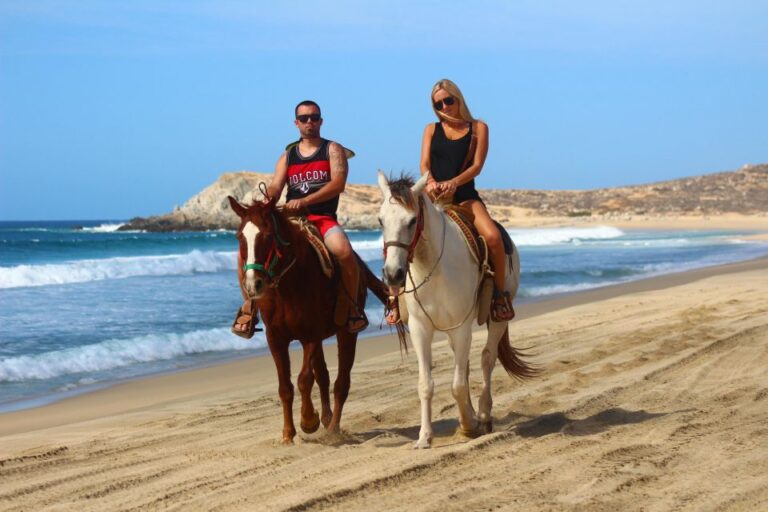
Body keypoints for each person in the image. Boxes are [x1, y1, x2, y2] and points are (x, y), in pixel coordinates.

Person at [232, 100, 368, 336]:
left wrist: (305, 201)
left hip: (323, 217)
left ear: (321, 121)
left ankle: (352, 308)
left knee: (344, 252)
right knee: (248, 252)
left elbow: (338, 184)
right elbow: (276, 185)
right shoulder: (288, 155)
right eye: (304, 118)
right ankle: (249, 308)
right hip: (291, 218)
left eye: (314, 117)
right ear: (296, 123)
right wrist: (267, 201)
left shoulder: (332, 149)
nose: (309, 122)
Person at [386, 79, 514, 324]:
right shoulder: (431, 130)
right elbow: (424, 163)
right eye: (438, 104)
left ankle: (500, 297)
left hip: (465, 197)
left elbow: (477, 166)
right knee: (399, 230)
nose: (444, 107)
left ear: (458, 99)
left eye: (448, 100)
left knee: (494, 238)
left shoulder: (478, 128)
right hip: (433, 197)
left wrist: (454, 182)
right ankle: (394, 298)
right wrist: (431, 182)